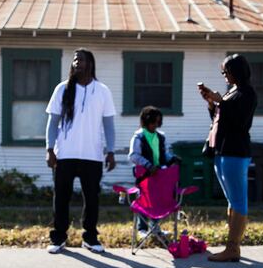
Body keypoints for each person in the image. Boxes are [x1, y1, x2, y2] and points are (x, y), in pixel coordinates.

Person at [45, 48, 116, 254]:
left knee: (92, 199)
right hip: (64, 154)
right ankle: (58, 238)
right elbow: (53, 122)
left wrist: (110, 151)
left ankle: (90, 238)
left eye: (81, 59)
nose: (77, 62)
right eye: (75, 59)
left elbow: (109, 124)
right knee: (61, 198)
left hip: (92, 155)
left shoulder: (102, 91)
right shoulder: (62, 89)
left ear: (90, 64)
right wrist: (50, 149)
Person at [197, 54, 258, 262]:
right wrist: (211, 104)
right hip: (222, 150)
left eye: (226, 72)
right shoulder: (231, 92)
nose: (224, 75)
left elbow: (240, 122)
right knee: (232, 200)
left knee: (239, 200)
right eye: (222, 72)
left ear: (237, 71)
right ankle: (232, 245)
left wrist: (221, 101)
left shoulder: (247, 93)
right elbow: (221, 120)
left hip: (235, 152)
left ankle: (233, 248)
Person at [128, 105, 180, 237]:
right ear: (146, 121)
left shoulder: (160, 137)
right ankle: (142, 229)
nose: (156, 125)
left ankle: (155, 228)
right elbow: (133, 156)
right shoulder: (139, 137)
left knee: (158, 199)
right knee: (144, 199)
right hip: (145, 173)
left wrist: (172, 159)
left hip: (159, 174)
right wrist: (148, 165)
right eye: (153, 122)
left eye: (158, 122)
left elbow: (164, 154)